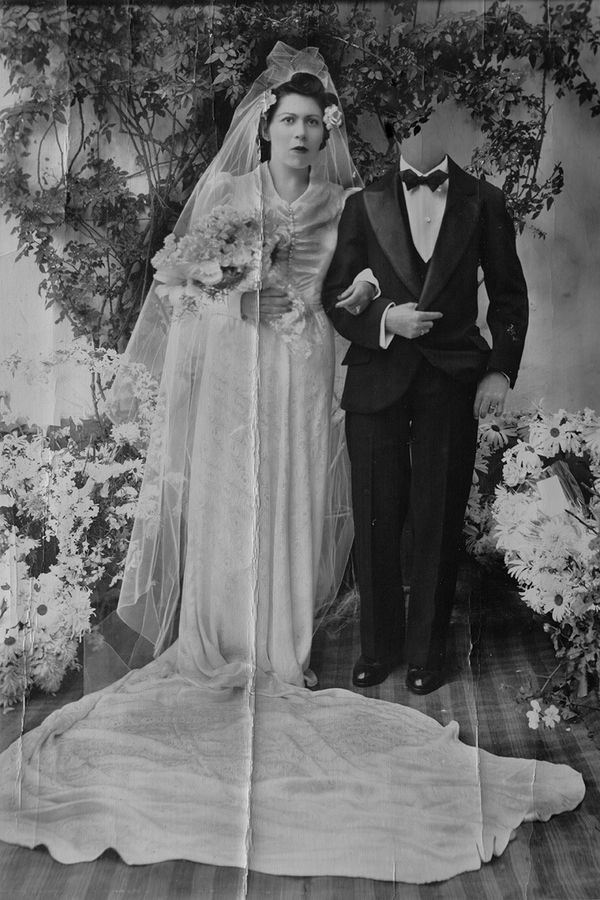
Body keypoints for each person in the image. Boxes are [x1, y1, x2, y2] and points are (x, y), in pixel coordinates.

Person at [0, 44, 584, 883]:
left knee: (297, 497)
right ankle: (225, 638)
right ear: (267, 128)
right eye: (291, 121)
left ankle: (285, 645)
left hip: (306, 370)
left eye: (314, 122)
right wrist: (238, 295)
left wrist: (383, 317)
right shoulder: (230, 195)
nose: (303, 134)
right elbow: (179, 286)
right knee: (234, 497)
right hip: (237, 369)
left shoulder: (350, 201)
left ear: (327, 131)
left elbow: (356, 288)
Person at [323, 107, 529, 695]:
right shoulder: (363, 203)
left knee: (439, 518)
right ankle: (378, 647)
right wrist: (386, 318)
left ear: (454, 119)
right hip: (377, 376)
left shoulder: (484, 200)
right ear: (394, 127)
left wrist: (499, 371)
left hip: (452, 379)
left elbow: (510, 297)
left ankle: (426, 653)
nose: (418, 127)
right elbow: (336, 297)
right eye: (408, 117)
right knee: (375, 513)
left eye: (432, 113)